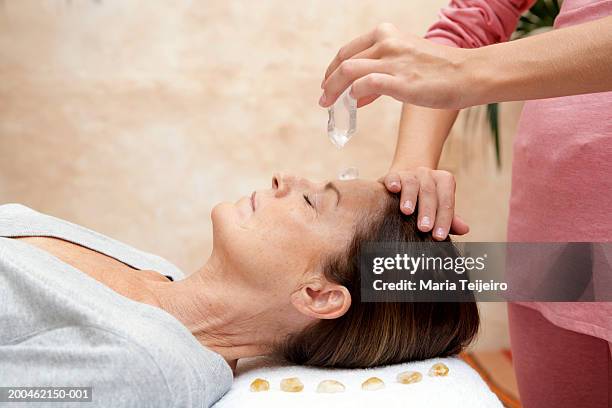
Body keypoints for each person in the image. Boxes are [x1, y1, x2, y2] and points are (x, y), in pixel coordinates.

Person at [319, 1, 612, 407]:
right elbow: (467, 22)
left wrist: (463, 71)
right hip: (551, 230)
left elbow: (457, 61)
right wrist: (411, 166)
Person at [0, 174, 479, 407]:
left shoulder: (145, 365)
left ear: (318, 294)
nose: (283, 179)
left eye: (313, 201)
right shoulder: (155, 271)